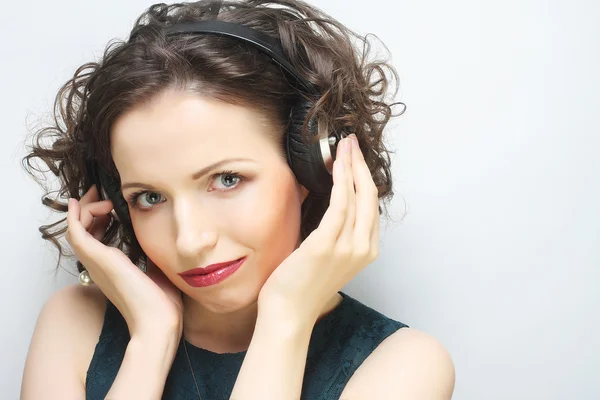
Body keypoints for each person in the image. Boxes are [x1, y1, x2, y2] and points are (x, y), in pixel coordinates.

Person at [20, 0, 455, 398]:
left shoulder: (404, 365)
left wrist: (284, 318)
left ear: (313, 167)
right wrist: (151, 340)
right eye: (150, 196)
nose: (190, 241)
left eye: (227, 179)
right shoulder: (75, 323)